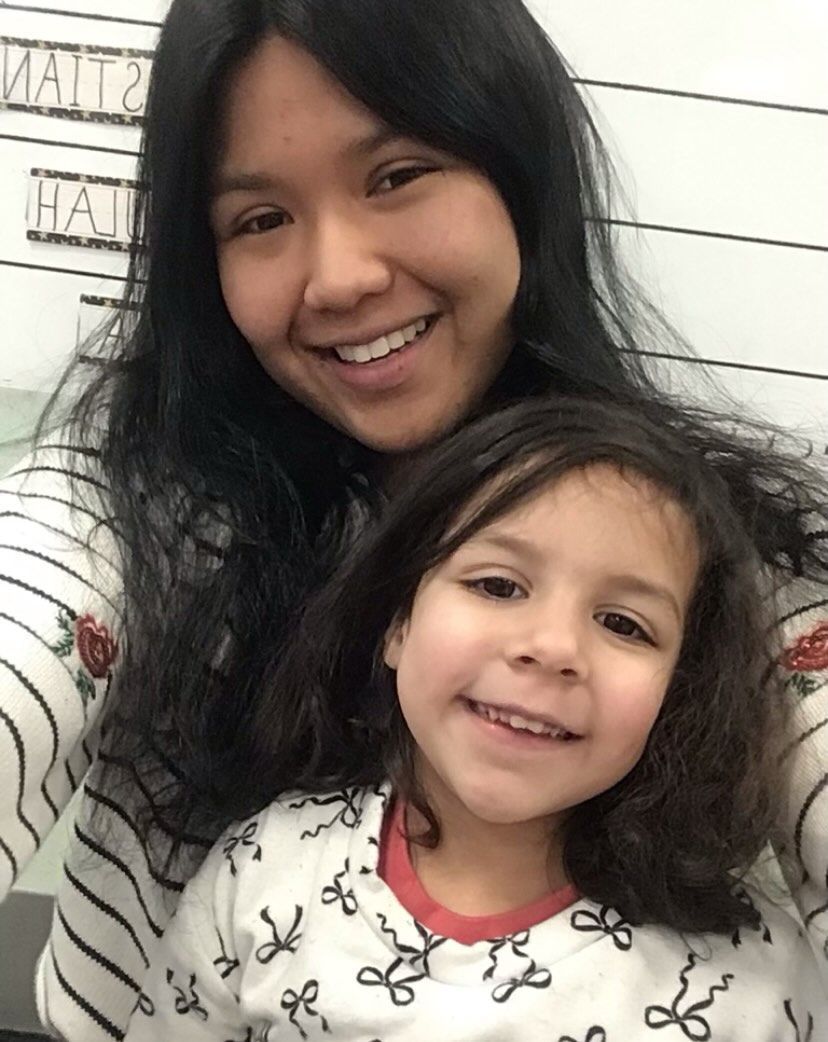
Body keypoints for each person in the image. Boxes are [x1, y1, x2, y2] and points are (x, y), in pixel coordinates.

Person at [0, 1, 824, 1039]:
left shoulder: (709, 543)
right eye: (258, 219)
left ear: (518, 171)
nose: (340, 275)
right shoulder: (134, 496)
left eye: (396, 175)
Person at [121, 396, 826, 1039]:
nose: (552, 648)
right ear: (397, 621)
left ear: (682, 690)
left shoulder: (750, 988)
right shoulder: (265, 870)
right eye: (497, 585)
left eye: (623, 623)